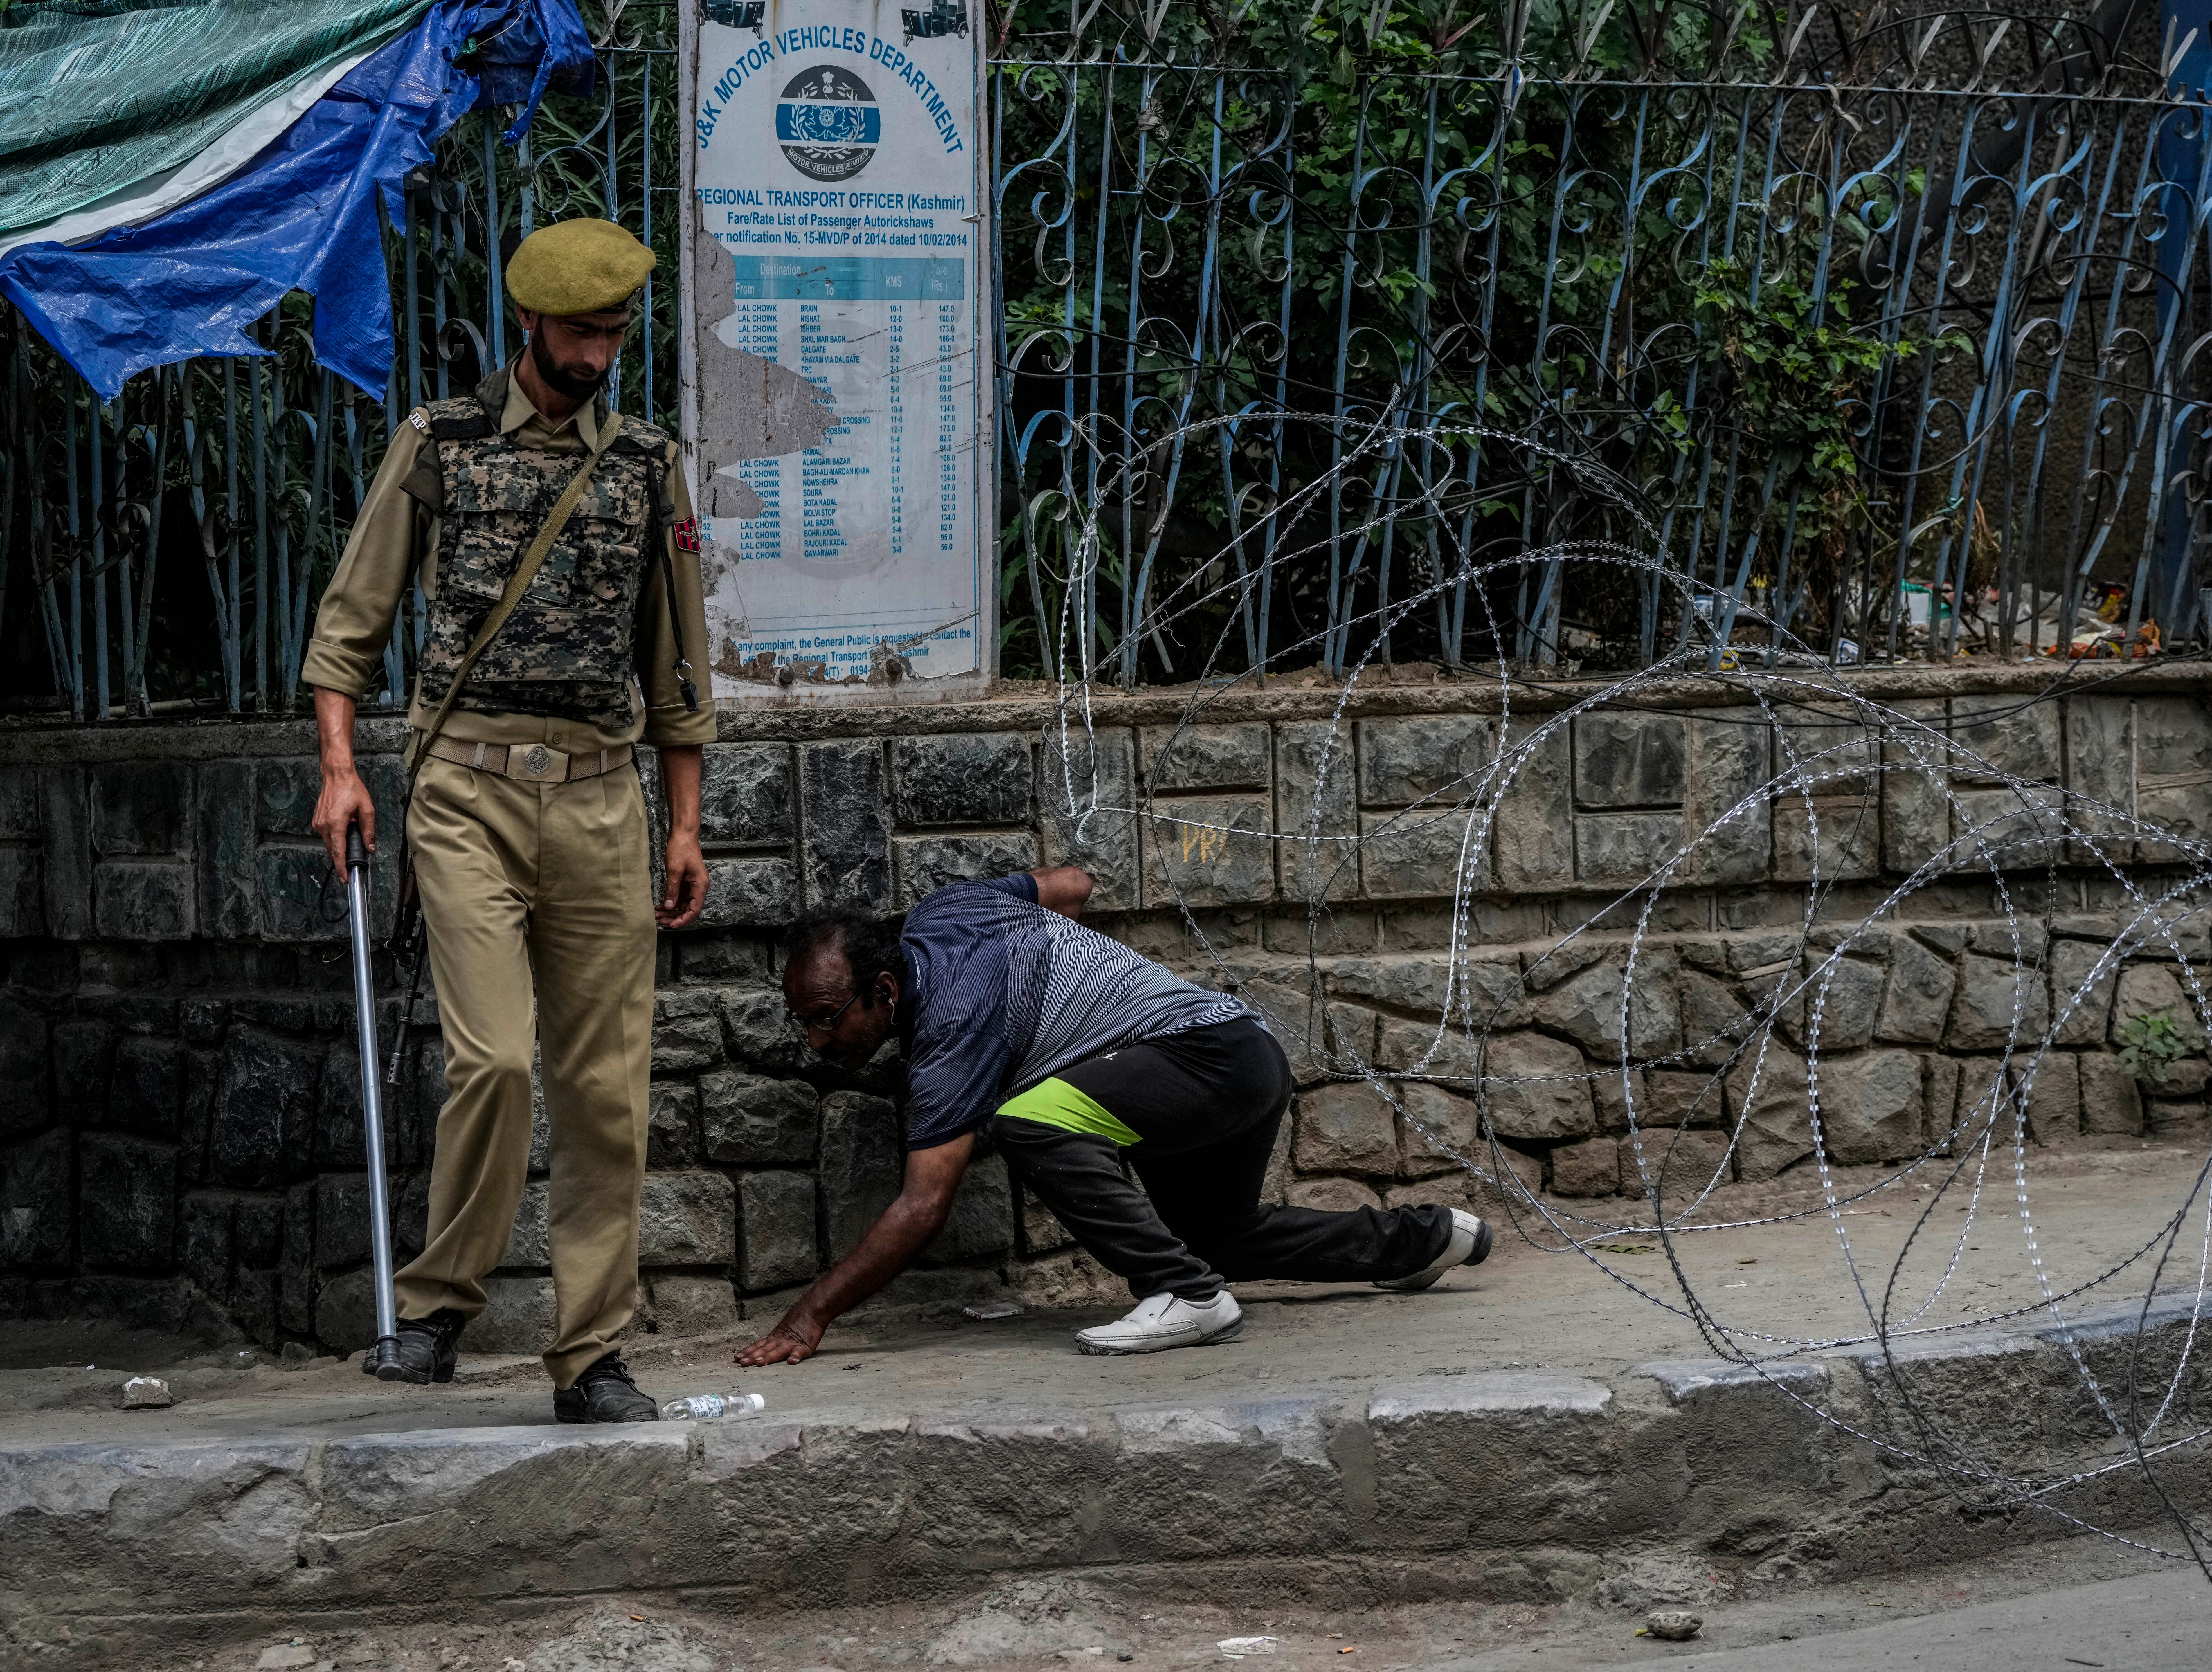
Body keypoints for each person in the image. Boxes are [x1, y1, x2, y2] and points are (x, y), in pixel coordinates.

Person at [303, 218, 715, 1422]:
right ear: (530, 321)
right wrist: (341, 769)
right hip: (465, 791)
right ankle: (438, 1308)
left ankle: (590, 1356)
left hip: (599, 798)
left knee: (605, 1089)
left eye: (616, 331)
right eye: (582, 330)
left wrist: (684, 826)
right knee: (491, 1060)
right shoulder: (439, 444)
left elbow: (679, 662)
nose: (601, 353)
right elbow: (348, 627)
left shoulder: (647, 462)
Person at [735, 868, 1495, 1363]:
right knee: (1214, 1237)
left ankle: (1190, 1299)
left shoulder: (953, 1036)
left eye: (829, 1018)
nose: (817, 1041)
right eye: (802, 1020)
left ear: (887, 993)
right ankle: (1427, 1241)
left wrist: (810, 1315)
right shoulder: (950, 907)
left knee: (1028, 1120)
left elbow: (924, 1203)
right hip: (1239, 1052)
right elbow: (1071, 885)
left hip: (1204, 1060)